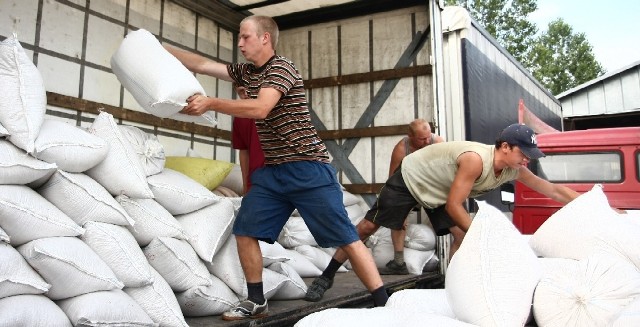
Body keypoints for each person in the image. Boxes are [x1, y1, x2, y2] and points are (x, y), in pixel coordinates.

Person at [164, 15, 388, 321]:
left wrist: (210, 102)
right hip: (272, 172)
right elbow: (202, 65)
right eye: (240, 38)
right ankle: (256, 300)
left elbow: (260, 108)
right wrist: (160, 48)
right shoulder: (245, 72)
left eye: (245, 37)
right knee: (245, 230)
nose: (240, 43)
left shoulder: (281, 68)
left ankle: (384, 304)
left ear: (265, 38)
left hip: (308, 168)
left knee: (346, 238)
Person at [305, 123, 583, 302]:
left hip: (439, 189)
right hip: (412, 177)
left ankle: (453, 289)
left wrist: (593, 205)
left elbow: (552, 190)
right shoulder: (475, 160)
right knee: (367, 228)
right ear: (505, 147)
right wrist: (482, 236)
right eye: (524, 152)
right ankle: (326, 276)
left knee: (460, 234)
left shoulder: (514, 169)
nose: (527, 159)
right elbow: (453, 206)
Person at [383, 118, 444, 274]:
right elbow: (392, 179)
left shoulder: (437, 142)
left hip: (432, 186)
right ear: (410, 136)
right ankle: (398, 263)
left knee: (453, 221)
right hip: (409, 186)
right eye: (421, 139)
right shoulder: (402, 149)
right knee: (397, 217)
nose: (426, 141)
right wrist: (398, 210)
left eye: (428, 137)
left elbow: (448, 170)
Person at [231, 84, 264, 194]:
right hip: (257, 181)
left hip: (286, 177)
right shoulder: (240, 117)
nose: (246, 94)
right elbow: (244, 151)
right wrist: (246, 185)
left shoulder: (274, 108)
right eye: (241, 91)